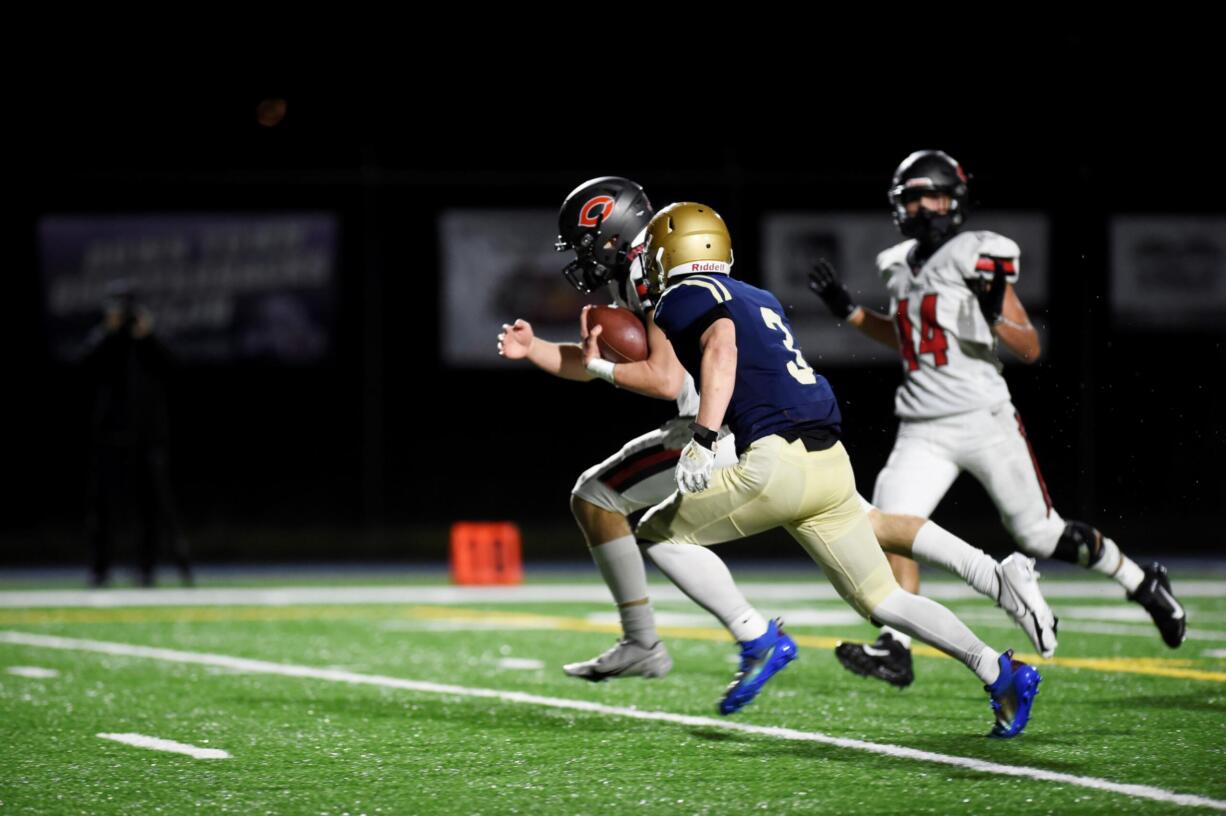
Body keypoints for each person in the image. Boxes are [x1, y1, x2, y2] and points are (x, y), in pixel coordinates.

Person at [499, 177, 1057, 689]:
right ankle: (992, 576)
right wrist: (541, 352)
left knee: (600, 498)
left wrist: (685, 422)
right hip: (786, 426)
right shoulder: (694, 267)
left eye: (583, 243)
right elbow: (634, 357)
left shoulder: (662, 278)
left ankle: (693, 638)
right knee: (871, 528)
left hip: (721, 429)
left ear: (612, 235)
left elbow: (664, 374)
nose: (579, 257)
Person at [626, 201, 1038, 736]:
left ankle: (757, 639)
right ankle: (998, 670)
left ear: (670, 252)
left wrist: (703, 437)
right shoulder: (759, 295)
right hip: (830, 459)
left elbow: (721, 348)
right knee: (885, 598)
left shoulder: (683, 295)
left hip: (776, 462)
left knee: (658, 534)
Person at [806, 150, 1186, 686]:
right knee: (891, 525)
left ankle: (1141, 580)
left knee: (1038, 534)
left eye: (928, 195)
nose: (919, 206)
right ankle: (897, 647)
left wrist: (991, 315)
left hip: (983, 417)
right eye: (910, 196)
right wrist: (849, 310)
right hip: (922, 425)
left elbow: (1028, 346)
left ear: (953, 200)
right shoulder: (897, 264)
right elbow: (907, 336)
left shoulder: (976, 254)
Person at [82, 284, 193, 588]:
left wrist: (148, 336)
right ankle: (98, 568)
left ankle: (146, 568)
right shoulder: (104, 339)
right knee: (102, 507)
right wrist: (109, 333)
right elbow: (85, 365)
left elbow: (175, 366)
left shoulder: (147, 341)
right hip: (109, 436)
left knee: (150, 507)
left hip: (147, 436)